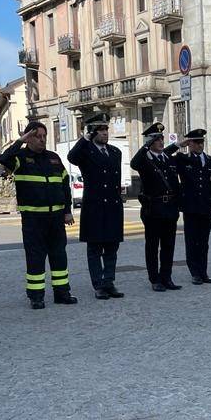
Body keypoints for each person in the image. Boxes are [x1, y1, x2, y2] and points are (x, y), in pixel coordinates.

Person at [0, 121, 77, 309]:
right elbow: (4, 158)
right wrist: (21, 141)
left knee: (59, 255)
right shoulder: (20, 158)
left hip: (56, 218)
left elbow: (65, 186)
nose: (42, 140)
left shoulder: (54, 158)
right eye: (37, 136)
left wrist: (67, 211)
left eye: (44, 136)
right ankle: (36, 296)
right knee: (35, 257)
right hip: (33, 219)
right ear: (28, 138)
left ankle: (62, 292)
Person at [67, 114, 125, 299]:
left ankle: (109, 282)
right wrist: (84, 138)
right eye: (100, 130)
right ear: (92, 132)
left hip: (113, 207)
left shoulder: (115, 152)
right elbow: (72, 157)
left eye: (106, 129)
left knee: (111, 248)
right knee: (94, 249)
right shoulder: (85, 151)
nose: (105, 133)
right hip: (95, 207)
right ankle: (98, 285)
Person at [130, 122, 182, 292]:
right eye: (157, 139)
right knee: (152, 246)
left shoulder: (167, 158)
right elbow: (134, 163)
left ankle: (166, 277)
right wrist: (145, 145)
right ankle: (155, 279)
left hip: (170, 208)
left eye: (161, 138)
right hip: (153, 208)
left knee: (169, 245)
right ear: (150, 141)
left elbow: (175, 183)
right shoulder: (145, 160)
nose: (161, 141)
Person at [167, 128, 211, 285]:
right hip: (190, 207)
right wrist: (178, 144)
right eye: (196, 142)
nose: (199, 145)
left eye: (201, 142)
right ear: (189, 144)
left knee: (204, 242)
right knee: (192, 241)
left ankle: (203, 272)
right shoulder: (182, 159)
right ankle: (195, 272)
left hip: (206, 207)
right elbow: (165, 156)